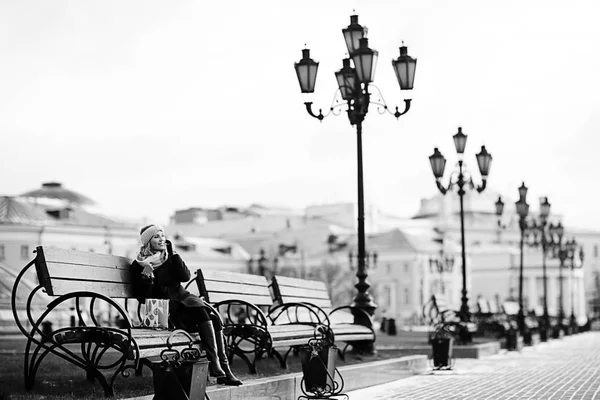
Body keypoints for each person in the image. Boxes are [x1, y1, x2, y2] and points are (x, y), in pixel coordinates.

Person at [130, 224, 242, 386]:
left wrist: (174, 254)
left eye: (162, 235)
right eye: (156, 236)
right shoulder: (138, 265)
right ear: (147, 242)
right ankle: (218, 366)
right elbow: (142, 298)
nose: (161, 239)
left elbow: (185, 276)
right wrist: (147, 278)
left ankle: (221, 367)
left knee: (210, 317)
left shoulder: (169, 258)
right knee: (205, 315)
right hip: (167, 310)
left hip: (184, 301)